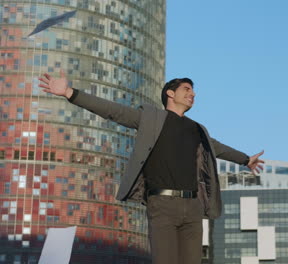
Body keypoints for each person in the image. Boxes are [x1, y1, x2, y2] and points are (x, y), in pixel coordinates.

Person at [38, 70, 264, 264]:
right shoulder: (151, 118)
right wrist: (70, 93)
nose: (192, 94)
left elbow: (218, 147)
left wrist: (245, 159)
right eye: (187, 89)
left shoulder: (197, 129)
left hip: (193, 207)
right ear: (170, 93)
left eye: (193, 91)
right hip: (162, 205)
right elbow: (113, 110)